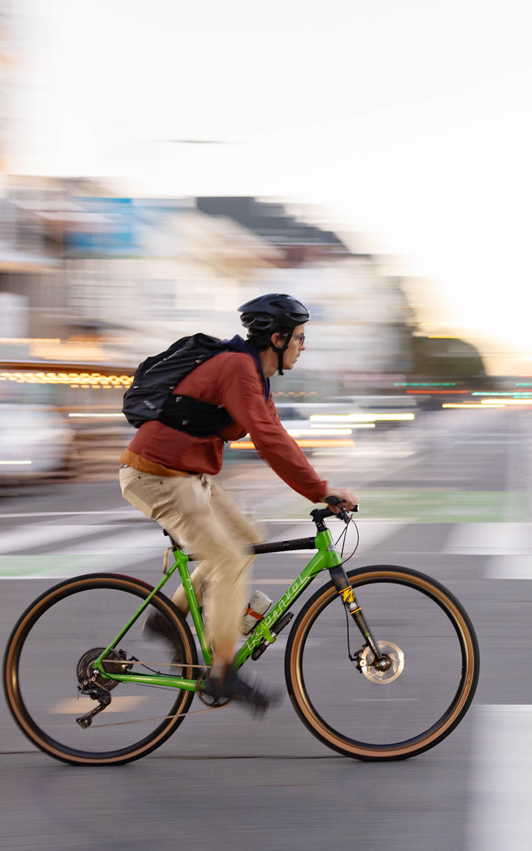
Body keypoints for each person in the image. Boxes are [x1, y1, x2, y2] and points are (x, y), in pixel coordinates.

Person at [116, 293, 358, 711]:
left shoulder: (255, 377)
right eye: (300, 338)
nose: (302, 347)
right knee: (228, 559)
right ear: (278, 339)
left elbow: (275, 433)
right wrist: (319, 491)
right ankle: (222, 670)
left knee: (246, 536)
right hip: (155, 474)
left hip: (187, 476)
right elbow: (267, 441)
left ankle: (169, 618)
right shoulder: (237, 368)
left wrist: (322, 486)